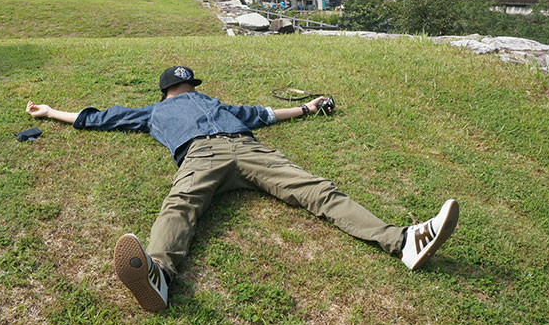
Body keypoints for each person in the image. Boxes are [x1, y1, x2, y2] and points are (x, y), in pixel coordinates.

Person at [26, 66, 459, 312]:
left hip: (245, 150)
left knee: (311, 190)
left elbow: (262, 113)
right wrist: (51, 112)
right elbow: (99, 118)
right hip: (205, 155)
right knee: (185, 204)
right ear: (170, 92)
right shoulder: (153, 112)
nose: (189, 92)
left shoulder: (216, 105)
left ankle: (405, 243)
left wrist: (309, 107)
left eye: (190, 86)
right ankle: (157, 275)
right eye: (183, 87)